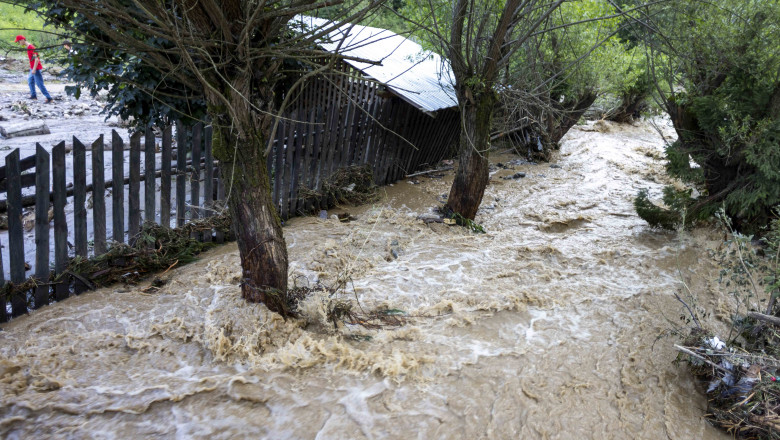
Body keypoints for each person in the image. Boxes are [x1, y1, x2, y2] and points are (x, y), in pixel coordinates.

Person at [14, 35, 53, 103]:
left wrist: (34, 69)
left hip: (36, 68)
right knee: (30, 80)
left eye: (19, 41)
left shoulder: (31, 47)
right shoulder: (28, 47)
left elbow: (36, 60)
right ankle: (33, 96)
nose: (19, 43)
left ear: (23, 40)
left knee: (39, 84)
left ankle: (49, 98)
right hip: (32, 68)